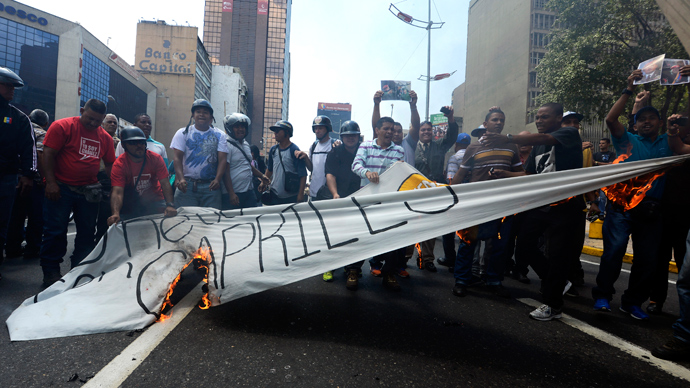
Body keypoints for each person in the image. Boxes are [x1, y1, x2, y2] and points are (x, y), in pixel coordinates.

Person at [591, 68, 687, 320]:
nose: (647, 121)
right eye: (642, 118)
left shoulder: (670, 141)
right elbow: (611, 120)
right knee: (614, 251)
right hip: (621, 207)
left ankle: (632, 302)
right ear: (635, 123)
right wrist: (629, 89)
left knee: (647, 260)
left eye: (652, 118)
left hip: (652, 210)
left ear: (659, 121)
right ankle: (602, 295)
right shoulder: (627, 141)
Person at [482, 102, 584, 321]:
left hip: (566, 207)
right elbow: (529, 174)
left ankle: (553, 306)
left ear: (558, 118)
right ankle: (555, 282)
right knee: (525, 247)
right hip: (541, 206)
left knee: (557, 256)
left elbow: (545, 139)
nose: (539, 121)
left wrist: (508, 138)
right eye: (537, 117)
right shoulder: (537, 146)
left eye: (544, 117)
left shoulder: (568, 134)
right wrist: (504, 173)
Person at [449, 108, 524, 298]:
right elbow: (460, 174)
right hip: (476, 203)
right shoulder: (473, 148)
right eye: (495, 119)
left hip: (502, 204)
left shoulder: (511, 147)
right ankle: (462, 280)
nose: (499, 123)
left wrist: (506, 175)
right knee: (468, 243)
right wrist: (448, 196)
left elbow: (522, 174)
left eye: (501, 120)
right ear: (486, 124)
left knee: (498, 245)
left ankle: (493, 280)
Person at [40, 99, 115, 286]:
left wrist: (117, 186)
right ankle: (51, 272)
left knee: (87, 233)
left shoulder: (105, 137)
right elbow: (47, 154)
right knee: (55, 230)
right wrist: (50, 183)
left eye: (98, 121)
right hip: (61, 188)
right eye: (89, 118)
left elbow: (110, 165)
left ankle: (79, 269)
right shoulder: (63, 127)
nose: (93, 123)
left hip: (88, 191)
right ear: (82, 110)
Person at [352, 116, 406, 291]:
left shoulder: (399, 150)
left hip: (388, 203)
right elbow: (356, 165)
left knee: (391, 239)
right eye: (386, 128)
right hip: (366, 201)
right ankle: (353, 271)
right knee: (361, 237)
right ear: (377, 130)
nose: (390, 132)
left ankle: (389, 273)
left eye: (392, 129)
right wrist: (367, 173)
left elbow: (396, 173)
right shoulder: (365, 146)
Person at [0, 67, 36, 281]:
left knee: (2, 223)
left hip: (6, 179)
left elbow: (29, 148)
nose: (12, 90)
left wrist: (28, 175)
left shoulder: (19, 117)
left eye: (14, 86)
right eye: (8, 85)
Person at [415, 106, 459, 273]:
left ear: (433, 132)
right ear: (418, 132)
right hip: (415, 192)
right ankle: (403, 259)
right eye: (423, 129)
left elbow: (452, 135)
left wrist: (451, 118)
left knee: (430, 225)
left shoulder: (440, 145)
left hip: (435, 192)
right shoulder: (411, 147)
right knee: (411, 224)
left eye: (429, 129)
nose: (426, 132)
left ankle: (427, 259)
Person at [323, 121, 364, 290]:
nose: (350, 138)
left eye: (353, 135)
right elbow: (330, 175)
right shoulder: (335, 151)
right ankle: (329, 266)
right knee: (333, 234)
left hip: (359, 200)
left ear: (358, 136)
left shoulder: (364, 150)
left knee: (357, 236)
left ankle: (353, 269)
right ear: (342, 137)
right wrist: (334, 194)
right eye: (347, 136)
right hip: (338, 198)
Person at [107, 127, 176, 223]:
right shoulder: (120, 164)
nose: (138, 145)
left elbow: (165, 183)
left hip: (155, 199)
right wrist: (116, 213)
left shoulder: (155, 158)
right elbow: (117, 191)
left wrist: (170, 205)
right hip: (131, 202)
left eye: (141, 142)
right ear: (124, 145)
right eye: (133, 143)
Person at [5, 109, 47, 260]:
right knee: (36, 216)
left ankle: (12, 248)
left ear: (30, 117)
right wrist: (45, 180)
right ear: (46, 123)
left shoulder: (19, 126)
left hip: (15, 178)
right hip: (33, 181)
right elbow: (40, 155)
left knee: (15, 215)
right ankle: (33, 249)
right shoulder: (42, 134)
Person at [170, 99, 228, 209]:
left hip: (211, 186)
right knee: (182, 219)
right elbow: (177, 158)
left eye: (205, 112)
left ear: (211, 117)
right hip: (186, 185)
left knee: (211, 220)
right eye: (198, 111)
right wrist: (181, 178)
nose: (201, 114)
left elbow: (223, 160)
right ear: (193, 115)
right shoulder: (183, 133)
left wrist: (217, 179)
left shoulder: (220, 135)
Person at [221, 113, 269, 210]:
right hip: (233, 193)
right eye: (237, 127)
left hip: (249, 191)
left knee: (251, 220)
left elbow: (247, 165)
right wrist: (231, 193)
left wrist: (262, 176)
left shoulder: (246, 144)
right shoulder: (226, 144)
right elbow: (225, 171)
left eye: (243, 126)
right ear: (230, 128)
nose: (241, 129)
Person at [261, 120, 308, 205]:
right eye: (275, 131)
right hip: (274, 195)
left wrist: (300, 194)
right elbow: (269, 169)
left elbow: (303, 174)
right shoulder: (273, 150)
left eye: (278, 131)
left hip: (290, 197)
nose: (275, 133)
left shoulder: (294, 150)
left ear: (287, 132)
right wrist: (263, 183)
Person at [371, 90, 420, 166]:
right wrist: (376, 104)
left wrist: (413, 106)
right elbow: (376, 127)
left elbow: (416, 126)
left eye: (399, 131)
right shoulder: (383, 144)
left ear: (402, 133)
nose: (396, 134)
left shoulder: (408, 143)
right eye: (394, 131)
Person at [295, 115, 337, 203]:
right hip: (314, 193)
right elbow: (311, 169)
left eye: (320, 128)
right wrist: (306, 158)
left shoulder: (334, 145)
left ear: (327, 129)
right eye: (315, 129)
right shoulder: (313, 146)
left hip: (329, 194)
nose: (317, 131)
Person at [94, 114, 120, 243]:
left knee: (106, 213)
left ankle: (101, 241)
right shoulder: (96, 137)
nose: (112, 125)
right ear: (102, 124)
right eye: (109, 122)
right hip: (94, 178)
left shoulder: (121, 143)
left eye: (115, 123)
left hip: (111, 179)